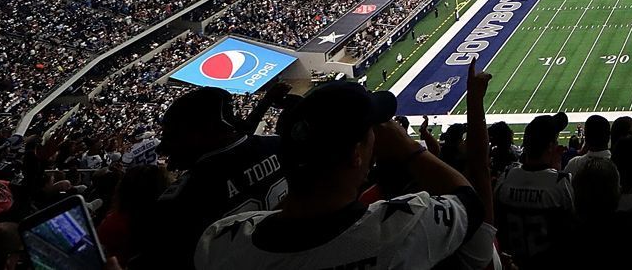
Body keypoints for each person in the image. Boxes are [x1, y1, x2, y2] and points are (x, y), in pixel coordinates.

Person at [193, 80, 492, 269]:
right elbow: (469, 200)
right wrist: (410, 150)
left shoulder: (220, 241)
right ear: (355, 154)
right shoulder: (403, 226)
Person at [143, 85, 289, 269]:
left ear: (200, 132)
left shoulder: (184, 197)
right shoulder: (278, 145)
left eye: (173, 135)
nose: (163, 146)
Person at [495, 111, 577, 269]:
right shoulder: (560, 183)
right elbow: (569, 228)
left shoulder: (506, 178)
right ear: (551, 147)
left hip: (514, 261)